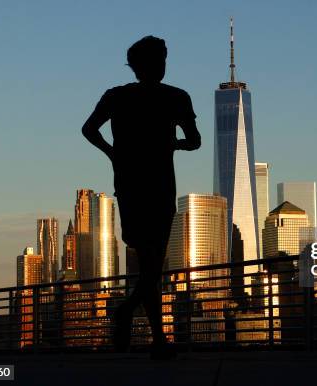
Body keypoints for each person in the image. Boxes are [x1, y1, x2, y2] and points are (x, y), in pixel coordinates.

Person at [81, 36, 201, 359]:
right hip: (160, 186)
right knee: (152, 264)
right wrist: (172, 144)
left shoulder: (116, 97)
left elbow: (88, 129)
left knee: (148, 262)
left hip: (130, 185)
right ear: (157, 64)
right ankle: (135, 318)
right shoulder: (177, 97)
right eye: (160, 59)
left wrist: (113, 154)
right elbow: (195, 141)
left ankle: (157, 338)